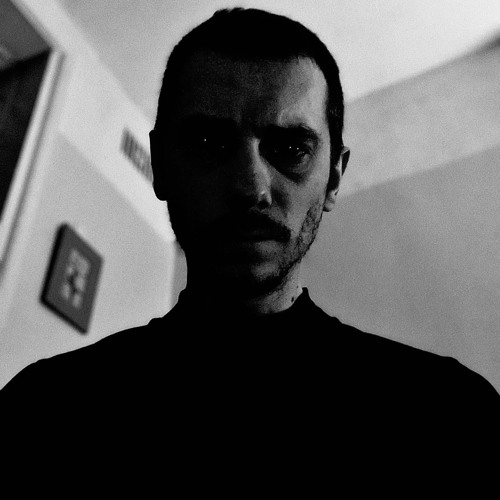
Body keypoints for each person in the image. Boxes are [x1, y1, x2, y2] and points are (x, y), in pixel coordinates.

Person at [1, 7, 498, 486]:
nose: (250, 186)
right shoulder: (42, 411)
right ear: (161, 165)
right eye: (208, 143)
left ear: (333, 177)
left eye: (291, 149)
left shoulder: (451, 414)